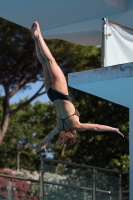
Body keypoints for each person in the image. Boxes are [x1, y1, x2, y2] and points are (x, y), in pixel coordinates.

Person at [31, 21, 124, 153]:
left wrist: (114, 129)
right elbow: (48, 137)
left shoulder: (77, 125)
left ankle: (38, 36)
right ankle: (35, 39)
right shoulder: (59, 127)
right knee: (45, 64)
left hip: (61, 93)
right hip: (51, 94)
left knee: (51, 60)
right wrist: (42, 144)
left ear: (73, 135)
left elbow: (96, 127)